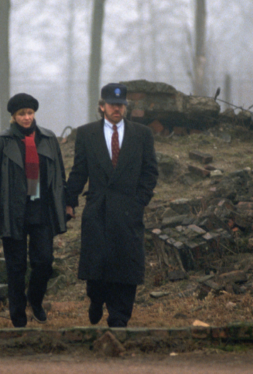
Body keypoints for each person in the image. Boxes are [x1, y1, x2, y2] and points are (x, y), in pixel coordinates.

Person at [65, 83, 158, 328]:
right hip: (98, 211)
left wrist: (140, 201)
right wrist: (69, 201)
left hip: (129, 211)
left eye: (121, 105)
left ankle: (119, 318)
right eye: (112, 104)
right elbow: (79, 171)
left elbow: (150, 172)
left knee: (127, 267)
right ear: (102, 106)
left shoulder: (142, 134)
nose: (117, 109)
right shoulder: (86, 134)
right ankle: (96, 300)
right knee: (96, 267)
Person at [0, 93, 69, 328]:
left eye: (30, 113)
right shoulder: (2, 142)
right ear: (13, 117)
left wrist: (65, 204)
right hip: (11, 211)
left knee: (44, 262)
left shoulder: (48, 139)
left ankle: (35, 301)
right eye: (21, 114)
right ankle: (17, 316)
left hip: (42, 210)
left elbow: (59, 177)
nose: (26, 118)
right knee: (15, 266)